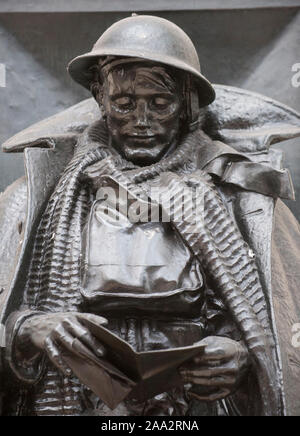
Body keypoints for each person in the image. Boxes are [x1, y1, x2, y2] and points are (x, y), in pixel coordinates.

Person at [0, 15, 300, 417]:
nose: (141, 121)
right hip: (78, 403)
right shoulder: (37, 198)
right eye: (124, 103)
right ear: (99, 98)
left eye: (159, 103)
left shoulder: (240, 199)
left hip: (197, 408)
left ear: (187, 103)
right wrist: (27, 329)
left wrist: (242, 354)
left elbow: (282, 329)